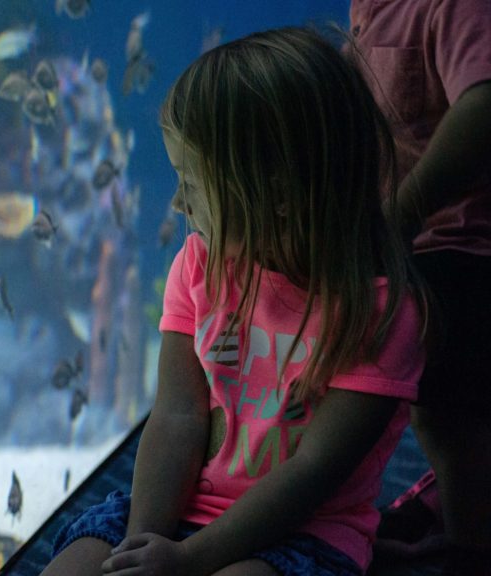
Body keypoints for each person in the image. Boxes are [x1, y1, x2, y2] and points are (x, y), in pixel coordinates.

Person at [38, 27, 427, 576]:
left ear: (278, 195)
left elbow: (314, 472)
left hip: (302, 530)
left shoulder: (380, 314)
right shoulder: (199, 266)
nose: (176, 203)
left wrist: (191, 560)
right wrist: (144, 543)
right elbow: (176, 415)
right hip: (177, 509)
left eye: (191, 184)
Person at [347, 1, 491, 573]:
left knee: (447, 411)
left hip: (462, 244)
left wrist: (402, 214)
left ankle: (470, 547)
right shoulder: (367, 6)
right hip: (411, 243)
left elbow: (482, 107)